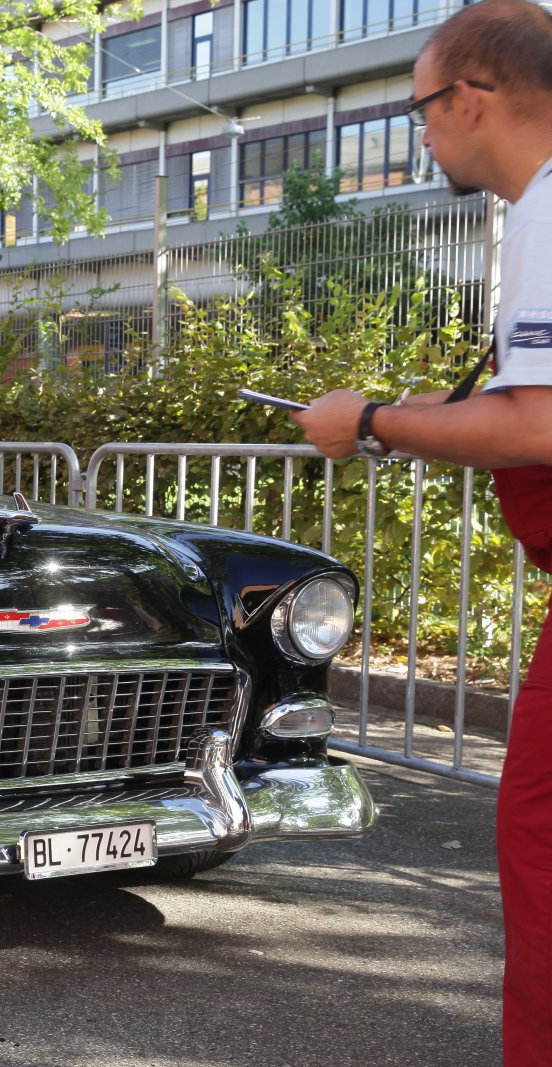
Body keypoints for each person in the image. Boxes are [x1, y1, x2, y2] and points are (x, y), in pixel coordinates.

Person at [291, 4, 552, 1061]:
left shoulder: (546, 208)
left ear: (471, 100)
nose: (423, 137)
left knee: (542, 846)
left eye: (420, 111)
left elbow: (537, 422)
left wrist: (368, 422)